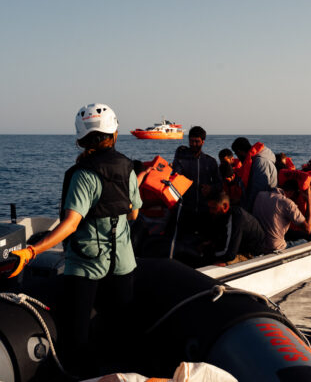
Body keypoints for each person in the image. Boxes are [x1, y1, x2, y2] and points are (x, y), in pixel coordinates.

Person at [8, 103, 143, 375]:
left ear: (81, 138)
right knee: (119, 329)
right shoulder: (128, 167)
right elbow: (134, 214)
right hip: (123, 264)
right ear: (114, 134)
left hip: (86, 265)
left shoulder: (83, 175)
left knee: (77, 335)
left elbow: (70, 225)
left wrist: (32, 251)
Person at [172, 126, 221, 233]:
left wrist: (211, 188)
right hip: (184, 210)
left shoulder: (210, 162)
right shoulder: (180, 159)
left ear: (203, 142)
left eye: (197, 141)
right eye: (191, 141)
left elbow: (220, 184)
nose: (194, 144)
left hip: (204, 211)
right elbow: (174, 178)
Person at [205, 191, 265, 264]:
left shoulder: (236, 218)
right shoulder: (222, 216)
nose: (211, 211)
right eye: (209, 208)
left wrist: (208, 254)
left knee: (216, 264)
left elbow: (230, 254)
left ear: (225, 206)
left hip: (252, 255)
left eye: (213, 208)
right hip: (239, 249)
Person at [253, 180, 311, 253]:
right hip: (275, 248)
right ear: (292, 193)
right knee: (305, 242)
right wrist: (309, 200)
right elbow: (308, 229)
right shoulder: (288, 203)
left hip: (259, 245)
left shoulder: (260, 195)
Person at [231, 137, 278, 211]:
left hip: (262, 207)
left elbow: (258, 189)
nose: (237, 157)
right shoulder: (253, 161)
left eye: (236, 154)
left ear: (239, 151)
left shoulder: (260, 162)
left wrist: (247, 209)